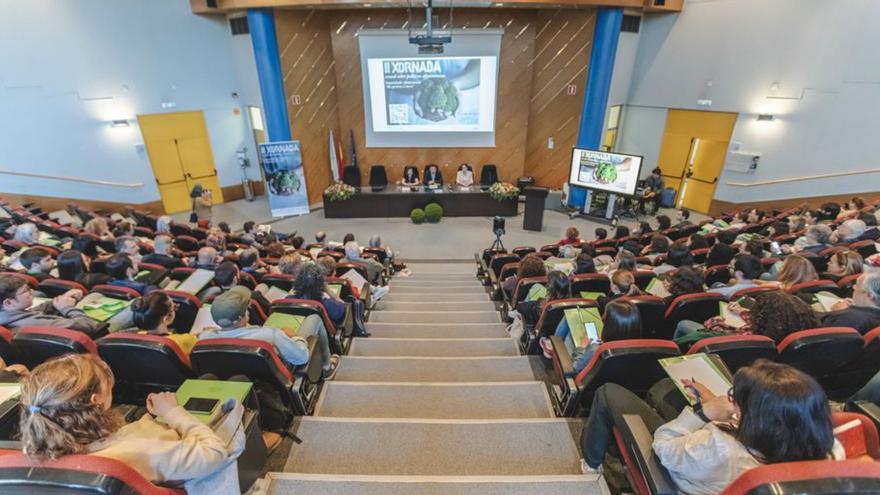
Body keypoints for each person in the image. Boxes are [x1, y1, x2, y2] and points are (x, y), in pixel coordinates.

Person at [580, 360, 841, 494]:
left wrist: (704, 413)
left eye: (736, 399)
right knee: (668, 389)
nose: (731, 400)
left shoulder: (719, 447)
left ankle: (591, 463)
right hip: (710, 467)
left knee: (607, 393)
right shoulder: (829, 448)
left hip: (674, 470)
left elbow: (663, 444)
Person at [18, 354, 235, 488]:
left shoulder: (31, 451)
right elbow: (215, 454)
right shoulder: (143, 448)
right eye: (105, 384)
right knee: (236, 383)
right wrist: (173, 412)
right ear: (96, 401)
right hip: (193, 469)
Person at [198, 286, 339, 378]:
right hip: (279, 375)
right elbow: (302, 357)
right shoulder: (269, 335)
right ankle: (326, 367)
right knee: (314, 318)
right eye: (246, 308)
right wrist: (296, 338)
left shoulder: (203, 339)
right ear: (240, 318)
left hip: (244, 379)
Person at [542, 300, 642, 372]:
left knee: (569, 320)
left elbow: (574, 368)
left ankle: (552, 346)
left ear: (611, 325)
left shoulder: (595, 349)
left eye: (605, 317)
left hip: (573, 364)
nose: (602, 317)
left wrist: (583, 346)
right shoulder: (641, 349)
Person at [0, 275, 103, 336]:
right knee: (96, 295)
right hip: (94, 333)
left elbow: (30, 313)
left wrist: (59, 300)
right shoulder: (39, 323)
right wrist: (67, 308)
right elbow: (89, 326)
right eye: (26, 291)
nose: (31, 291)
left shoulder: (7, 316)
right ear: (8, 302)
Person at [126, 293, 198, 353]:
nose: (176, 307)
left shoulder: (137, 339)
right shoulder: (185, 340)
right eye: (174, 307)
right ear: (167, 318)